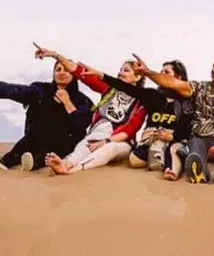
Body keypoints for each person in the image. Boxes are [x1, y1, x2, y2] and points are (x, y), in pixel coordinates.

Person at [136, 47, 214, 185]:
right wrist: (147, 72)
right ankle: (199, 173)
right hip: (199, 137)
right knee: (195, 147)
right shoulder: (199, 88)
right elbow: (172, 82)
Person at [0, 61, 93, 172]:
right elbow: (11, 91)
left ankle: (32, 163)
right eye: (58, 69)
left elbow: (82, 123)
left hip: (64, 144)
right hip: (35, 138)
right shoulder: (40, 90)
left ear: (74, 75)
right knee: (22, 147)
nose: (62, 73)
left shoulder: (83, 100)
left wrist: (67, 102)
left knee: (42, 155)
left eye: (66, 70)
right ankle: (4, 162)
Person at [31, 45, 147, 175]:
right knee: (83, 147)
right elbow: (78, 71)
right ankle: (65, 164)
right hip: (96, 134)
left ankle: (71, 171)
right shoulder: (109, 89)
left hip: (120, 142)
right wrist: (55, 55)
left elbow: (130, 129)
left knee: (108, 149)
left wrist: (105, 141)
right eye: (120, 70)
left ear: (137, 77)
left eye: (126, 70)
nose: (120, 73)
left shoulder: (141, 102)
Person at [101, 59, 193, 181]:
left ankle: (171, 169)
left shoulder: (186, 101)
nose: (161, 75)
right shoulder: (153, 95)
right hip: (151, 138)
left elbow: (188, 127)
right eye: (161, 71)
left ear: (178, 77)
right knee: (135, 160)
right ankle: (159, 157)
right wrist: (102, 76)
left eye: (166, 72)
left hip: (173, 140)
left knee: (173, 150)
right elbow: (126, 87)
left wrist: (173, 136)